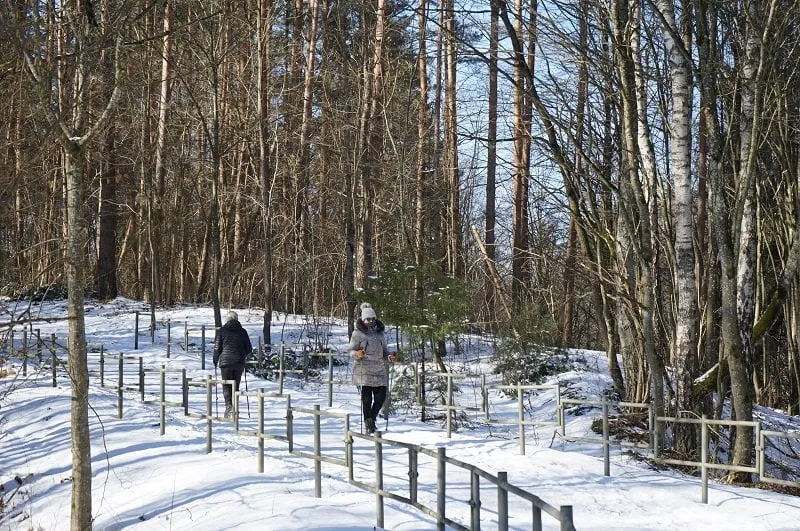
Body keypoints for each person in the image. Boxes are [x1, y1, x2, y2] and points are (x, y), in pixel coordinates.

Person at [348, 302, 397, 434]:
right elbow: (350, 350)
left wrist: (389, 357)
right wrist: (357, 354)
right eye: (368, 319)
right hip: (363, 370)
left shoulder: (380, 333)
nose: (371, 321)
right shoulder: (358, 333)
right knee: (367, 399)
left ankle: (371, 419)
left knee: (381, 397)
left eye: (373, 318)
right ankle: (368, 423)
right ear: (363, 320)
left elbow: (384, 351)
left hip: (379, 370)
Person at [213, 311, 252, 418]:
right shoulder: (242, 331)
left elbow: (217, 348)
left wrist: (215, 360)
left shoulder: (222, 331)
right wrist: (242, 354)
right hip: (239, 362)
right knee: (236, 385)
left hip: (225, 362)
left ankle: (228, 406)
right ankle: (235, 407)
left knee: (226, 384)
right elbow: (249, 349)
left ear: (227, 319)